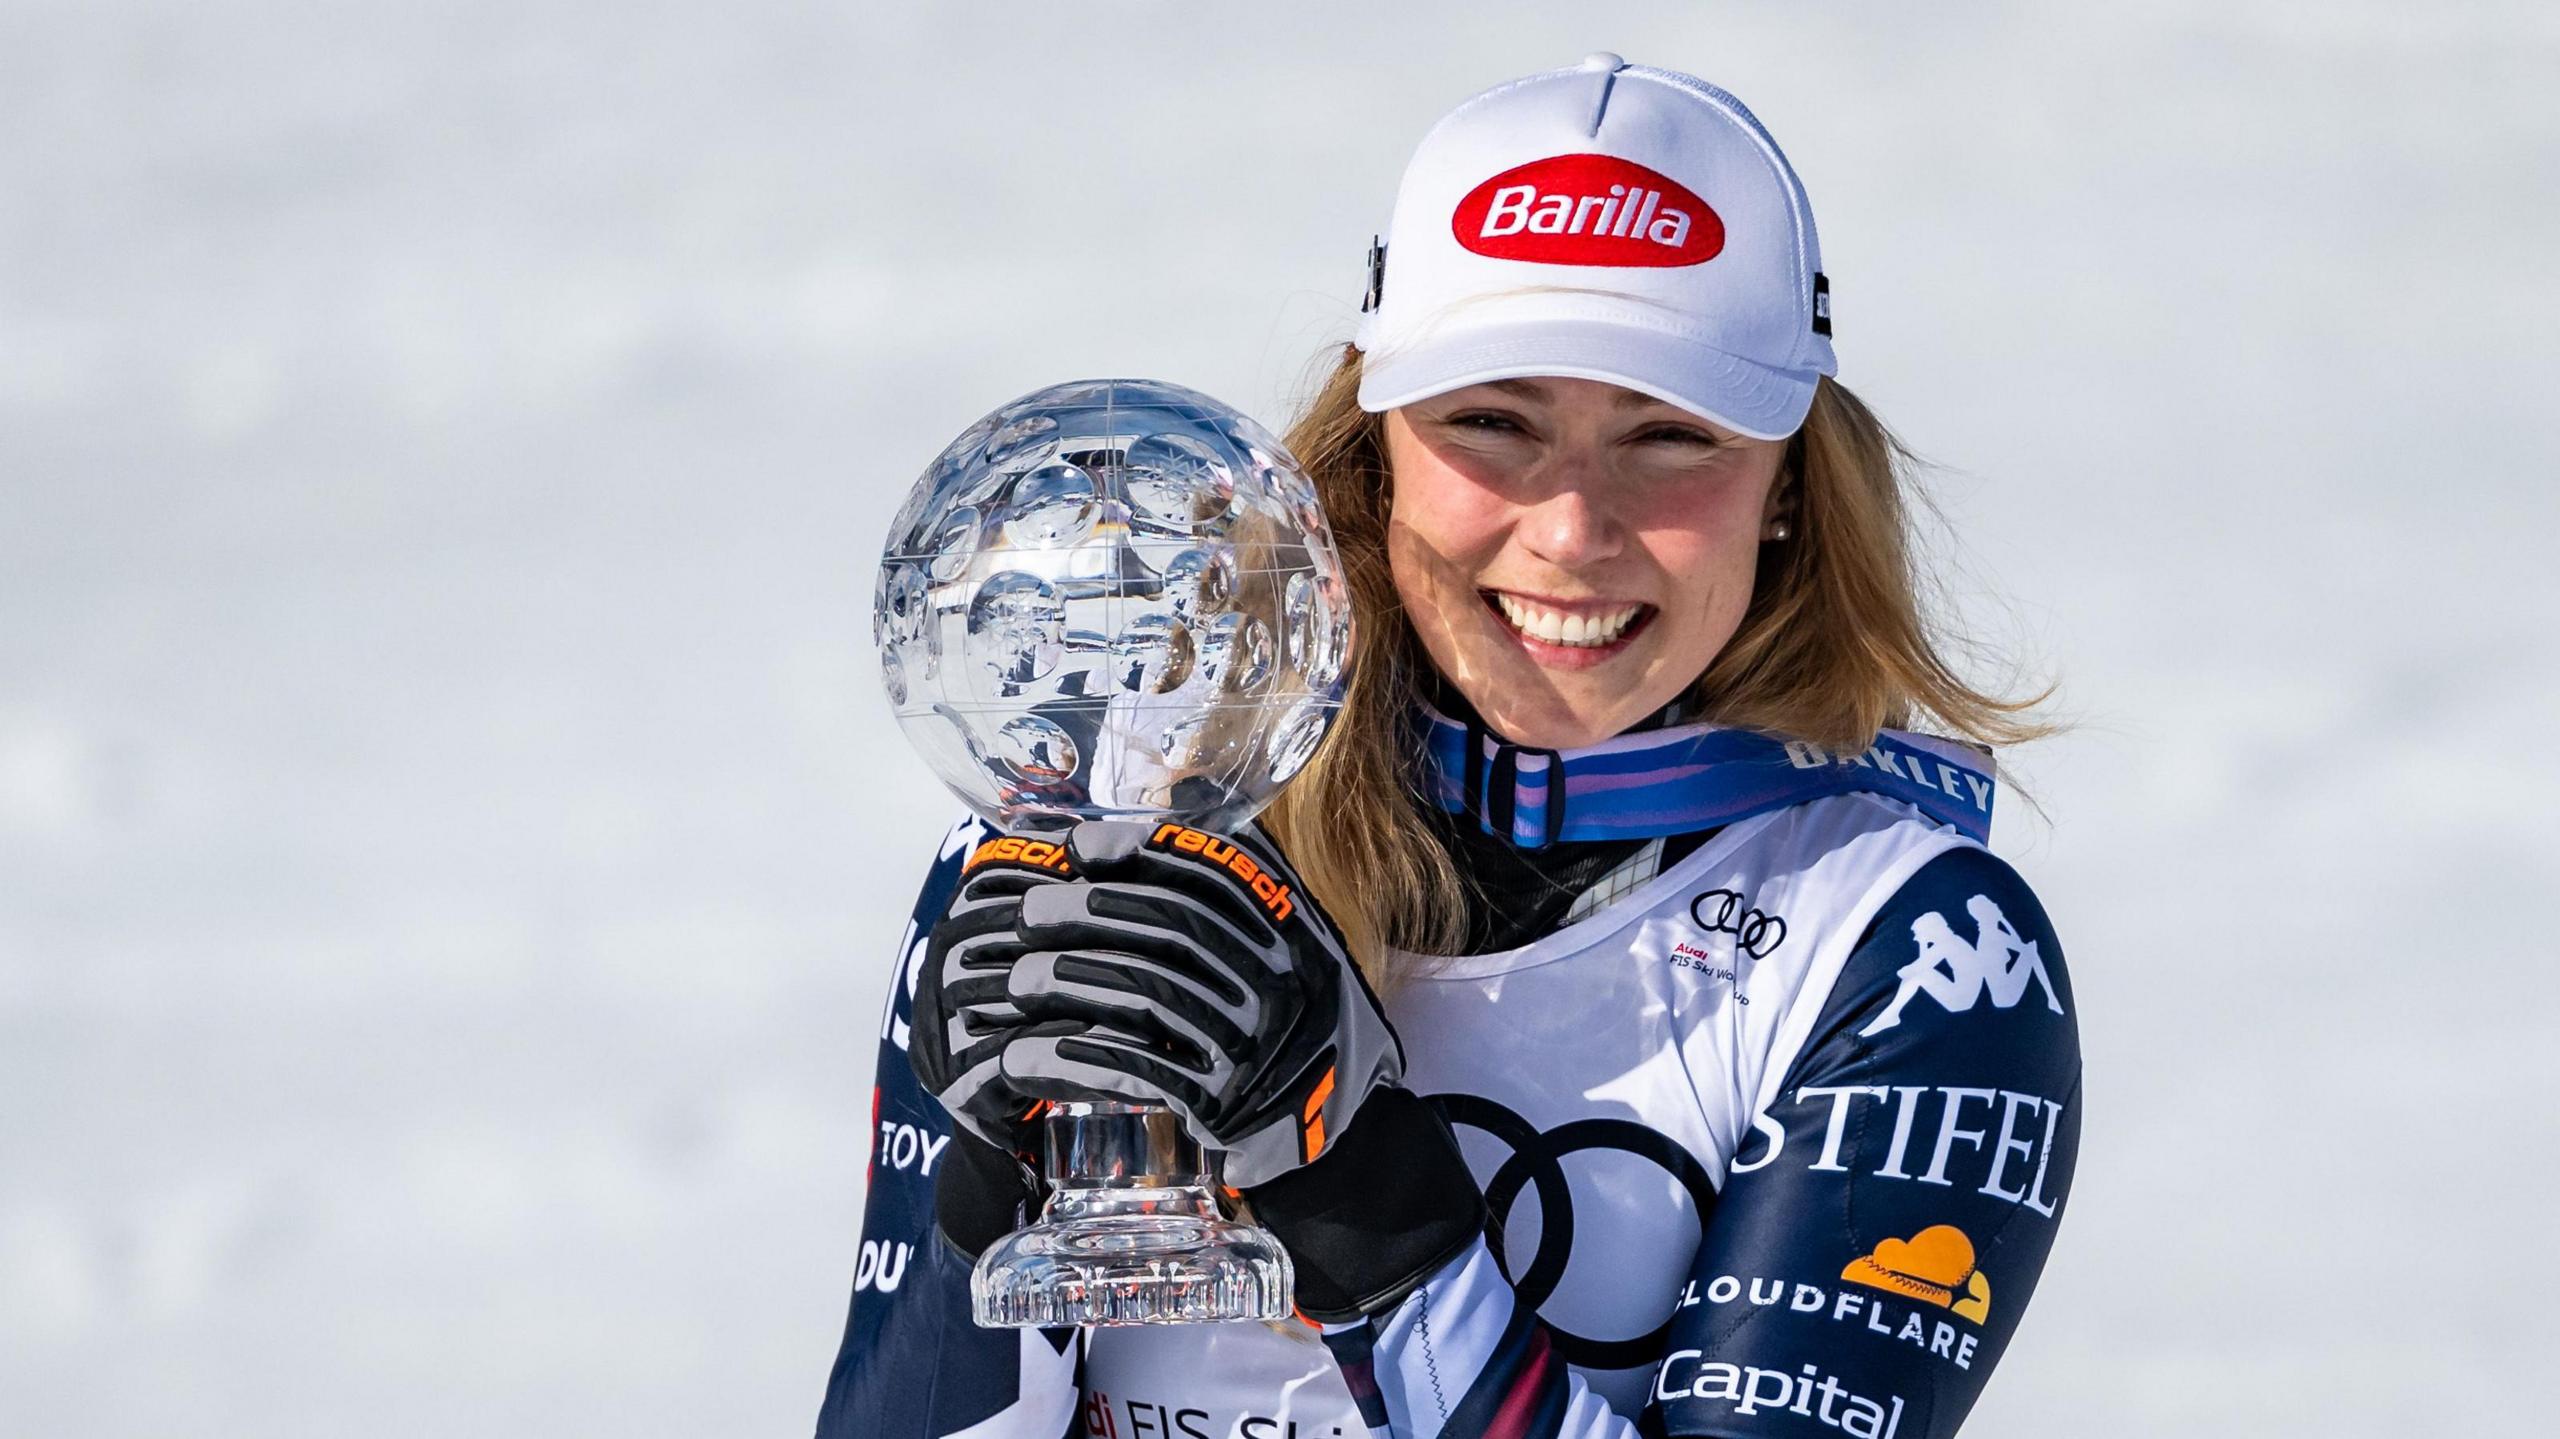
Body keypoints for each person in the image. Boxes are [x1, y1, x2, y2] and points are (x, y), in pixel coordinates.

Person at [818, 53, 2080, 1439]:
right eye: (1492, 424)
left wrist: (1353, 1189)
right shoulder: (1095, 841)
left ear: (1789, 487)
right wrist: (986, 1208)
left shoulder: (1914, 951)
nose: (1571, 532)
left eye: (1670, 438)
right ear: (1376, 446)